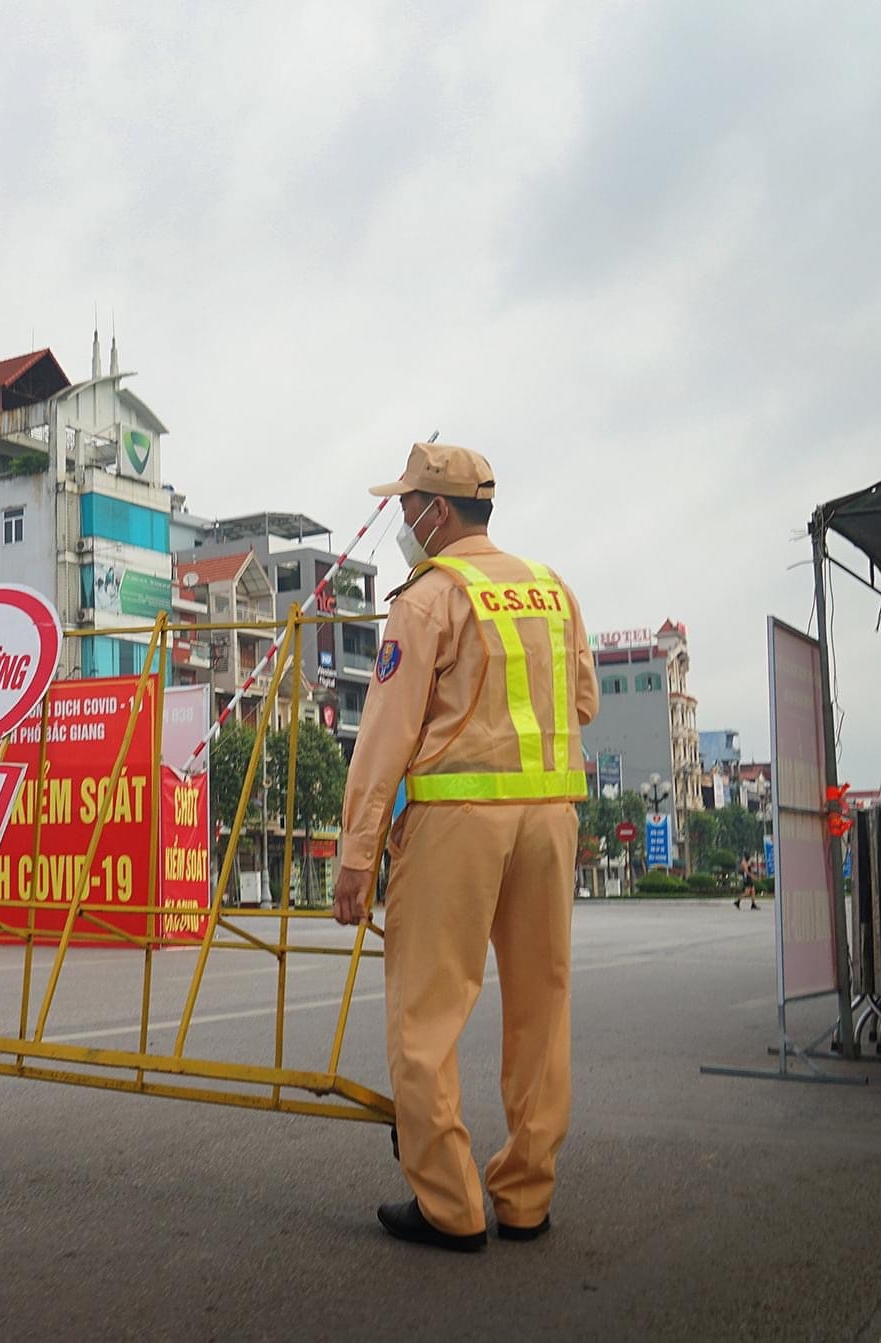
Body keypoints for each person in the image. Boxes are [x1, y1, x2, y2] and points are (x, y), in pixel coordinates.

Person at [332, 441, 598, 1252]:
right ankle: (524, 1194)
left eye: (407, 506)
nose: (402, 520)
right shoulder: (553, 591)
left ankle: (451, 1205)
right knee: (540, 1009)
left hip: (456, 823)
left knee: (427, 1015)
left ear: (436, 512)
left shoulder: (427, 599)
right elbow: (581, 700)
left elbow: (384, 738)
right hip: (549, 822)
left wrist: (356, 854)